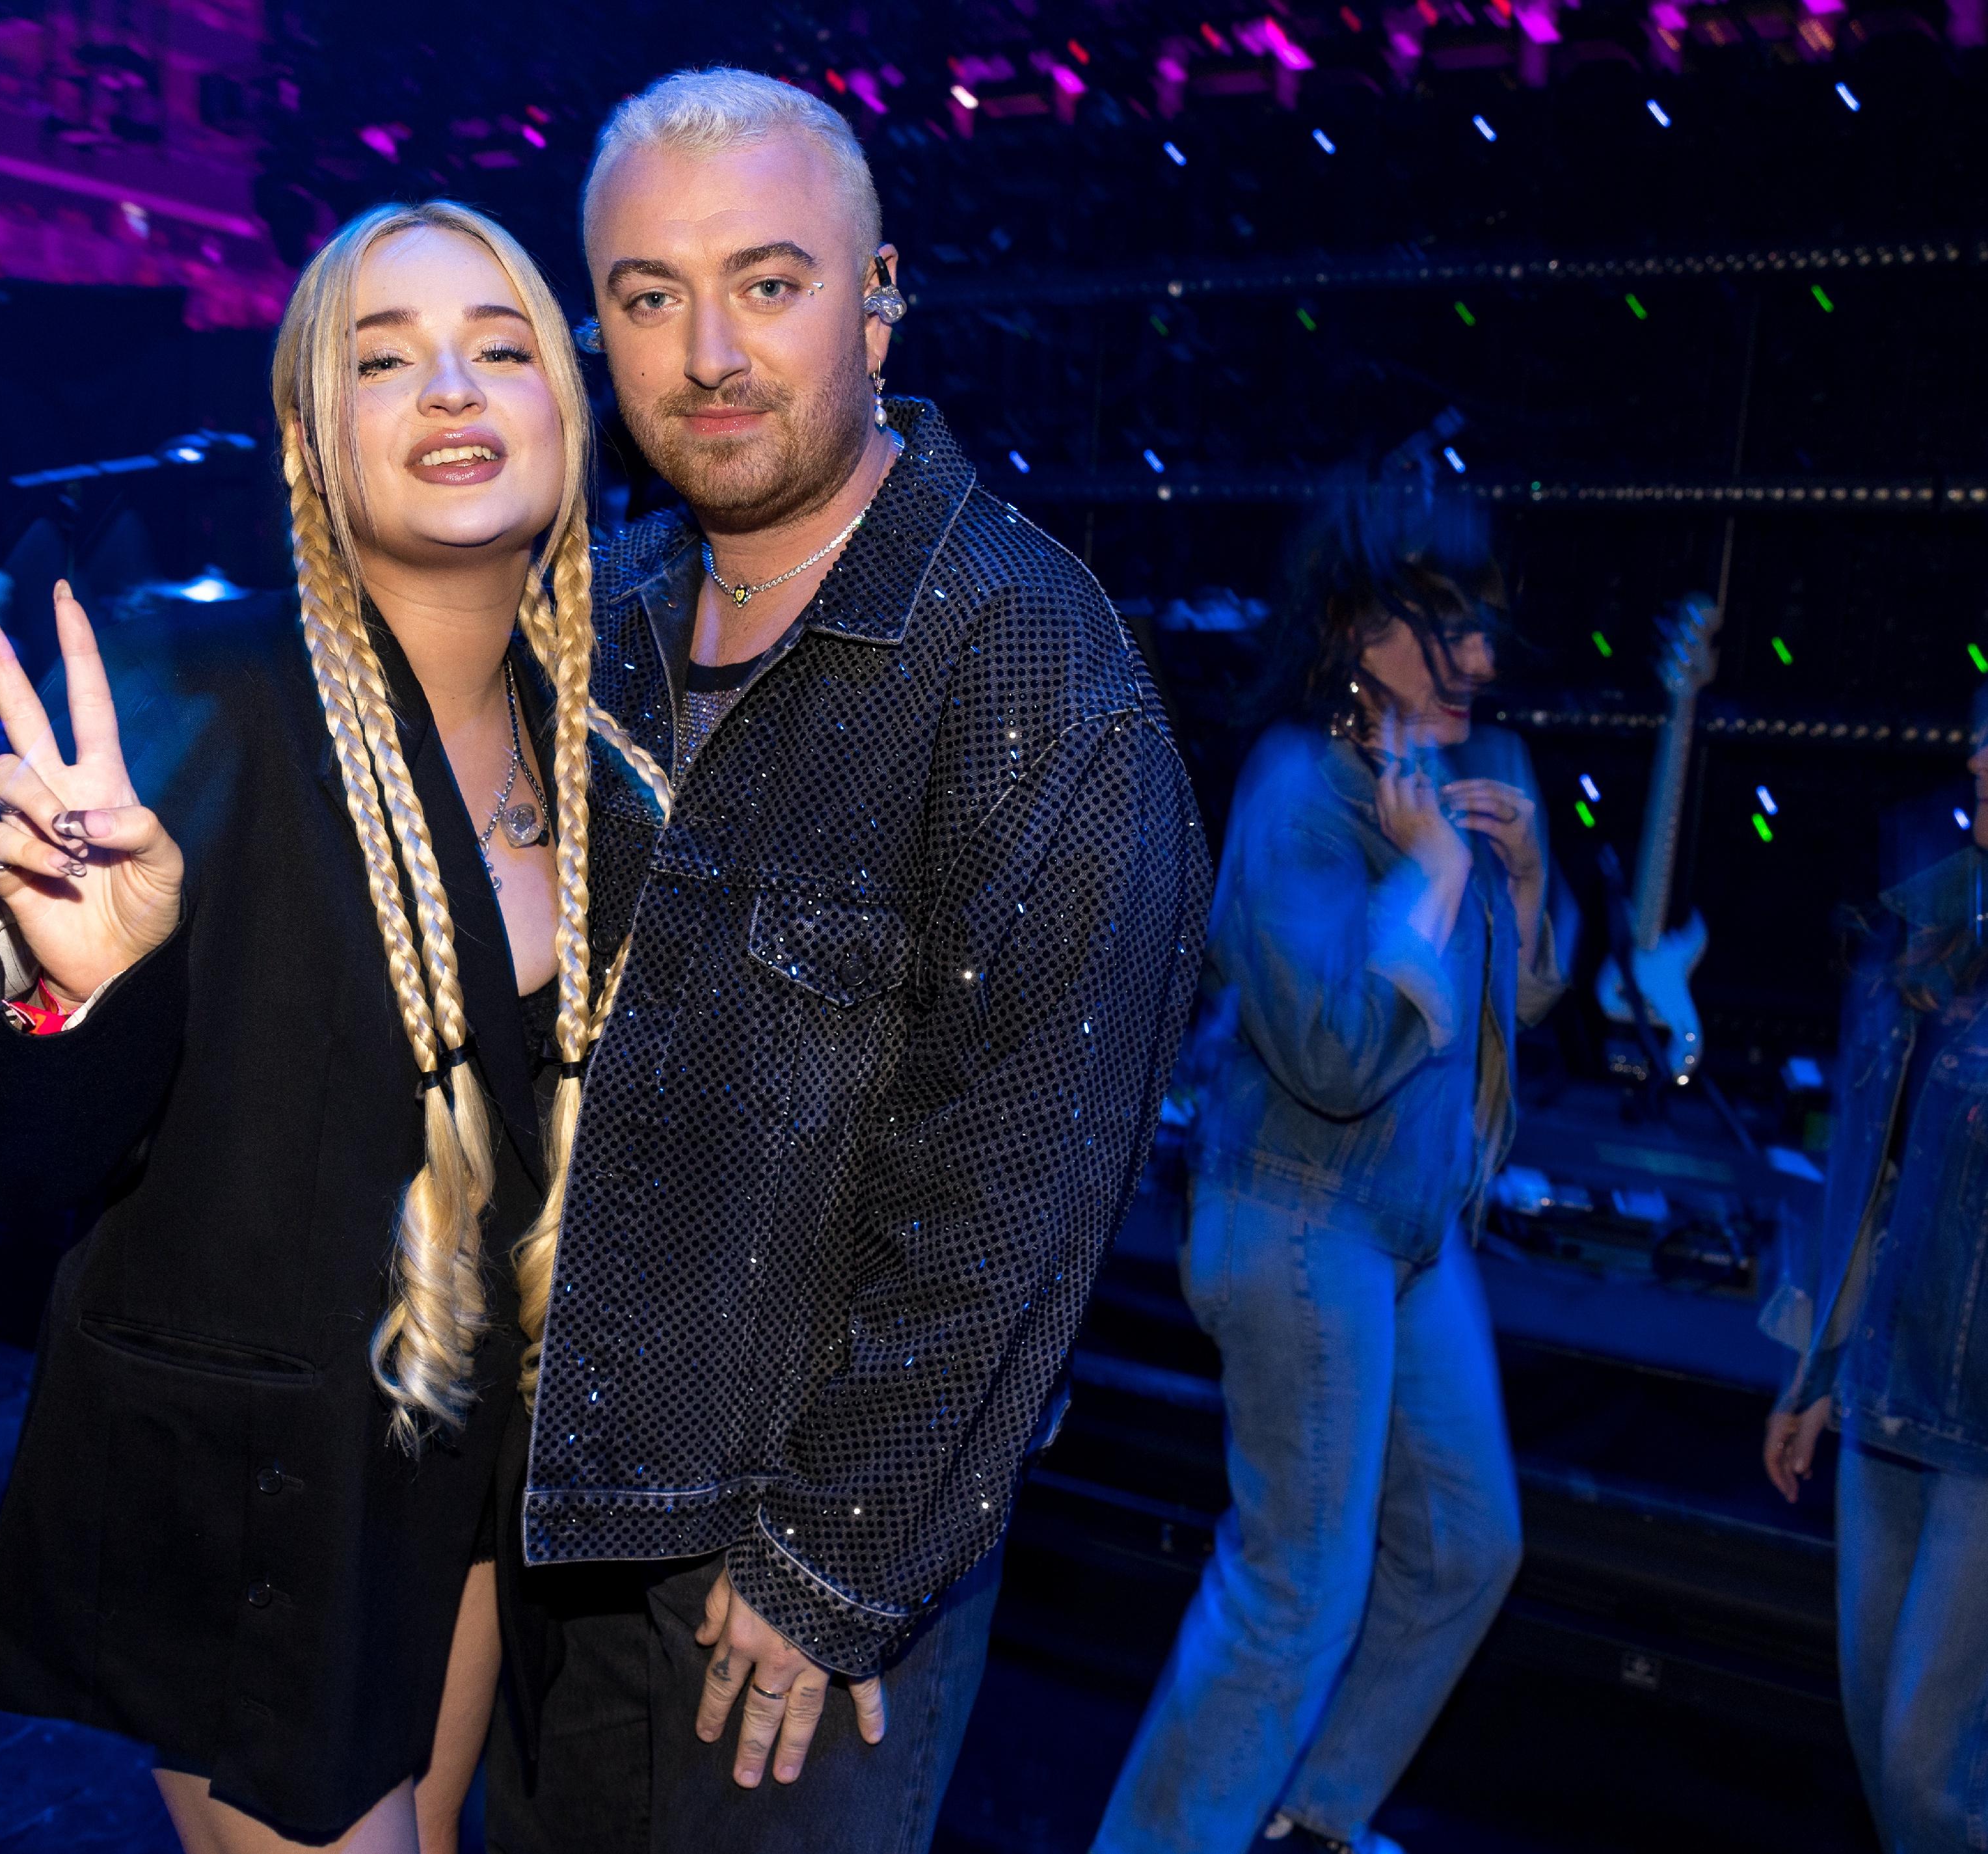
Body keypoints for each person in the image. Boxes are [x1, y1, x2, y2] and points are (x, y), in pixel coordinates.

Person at [481, 70, 1209, 1854]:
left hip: (776, 1575)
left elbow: (1016, 1198)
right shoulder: (600, 626)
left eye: (768, 282)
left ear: (879, 294)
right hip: (535, 1521)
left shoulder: (1026, 667)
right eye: (649, 296)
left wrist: (831, 1563)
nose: (706, 349)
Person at [0, 201, 649, 1853]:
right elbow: (16, 1163)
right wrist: (77, 982)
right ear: (312, 443)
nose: (451, 390)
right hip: (246, 1496)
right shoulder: (193, 696)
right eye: (382, 357)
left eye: (499, 346)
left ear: (569, 403)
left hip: (465, 1482)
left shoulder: (610, 766)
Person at [1091, 487, 1567, 1854]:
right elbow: (1335, 1057)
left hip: (1415, 1235)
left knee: (1468, 1547)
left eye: (1488, 632)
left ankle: (1306, 1822)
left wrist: (1520, 888)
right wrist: (1426, 881)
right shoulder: (1299, 789)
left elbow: (1519, 1012)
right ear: (1360, 627)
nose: (1481, 661)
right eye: (1448, 629)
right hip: (1296, 1220)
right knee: (1296, 1593)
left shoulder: (1485, 784)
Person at [1763, 712, 1988, 1854]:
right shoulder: (1931, 918)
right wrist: (1817, 1364)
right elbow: (1867, 1169)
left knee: (1928, 1773)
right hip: (1882, 1391)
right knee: (1881, 1755)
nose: (1979, 760)